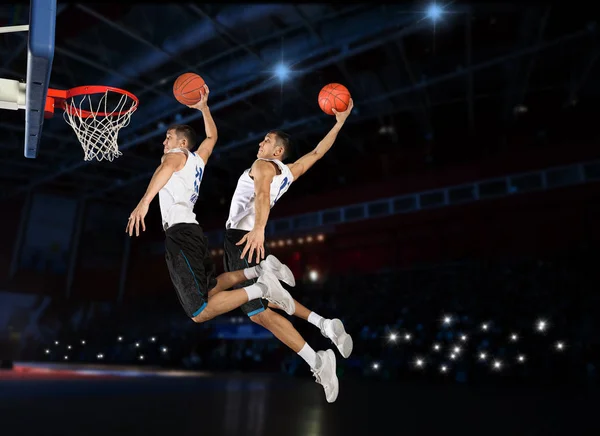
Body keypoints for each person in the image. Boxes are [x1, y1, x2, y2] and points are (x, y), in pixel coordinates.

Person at [125, 84, 296, 325]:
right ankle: (261, 271)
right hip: (191, 231)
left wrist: (144, 203)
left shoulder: (174, 155)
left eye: (169, 137)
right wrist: (204, 108)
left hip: (181, 232)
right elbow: (212, 137)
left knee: (198, 311)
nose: (165, 142)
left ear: (182, 143)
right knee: (212, 286)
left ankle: (262, 286)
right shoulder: (196, 159)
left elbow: (165, 169)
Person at [222, 99, 355, 403]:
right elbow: (318, 152)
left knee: (257, 311)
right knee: (261, 311)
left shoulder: (261, 166)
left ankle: (319, 353)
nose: (260, 142)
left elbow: (261, 195)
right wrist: (339, 122)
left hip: (242, 239)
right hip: (249, 239)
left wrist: (258, 229)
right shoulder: (288, 171)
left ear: (277, 151)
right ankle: (324, 330)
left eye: (267, 140)